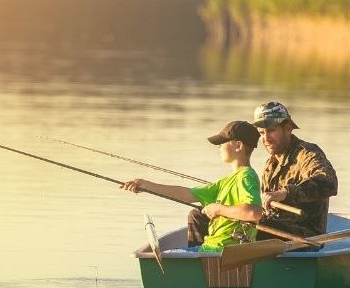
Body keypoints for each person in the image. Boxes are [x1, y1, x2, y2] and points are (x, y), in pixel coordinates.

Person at [121, 121, 263, 252]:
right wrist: (146, 185)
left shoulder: (247, 176)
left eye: (222, 142)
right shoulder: (225, 182)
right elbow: (186, 194)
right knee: (172, 252)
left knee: (170, 255)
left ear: (238, 146)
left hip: (221, 252)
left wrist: (219, 209)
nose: (219, 147)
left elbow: (254, 212)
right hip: (211, 248)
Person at [252, 101, 338, 239]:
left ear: (288, 128)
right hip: (274, 230)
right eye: (261, 133)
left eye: (271, 130)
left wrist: (286, 193)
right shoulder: (270, 164)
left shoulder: (307, 154)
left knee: (254, 227)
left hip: (306, 236)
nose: (266, 138)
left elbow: (329, 182)